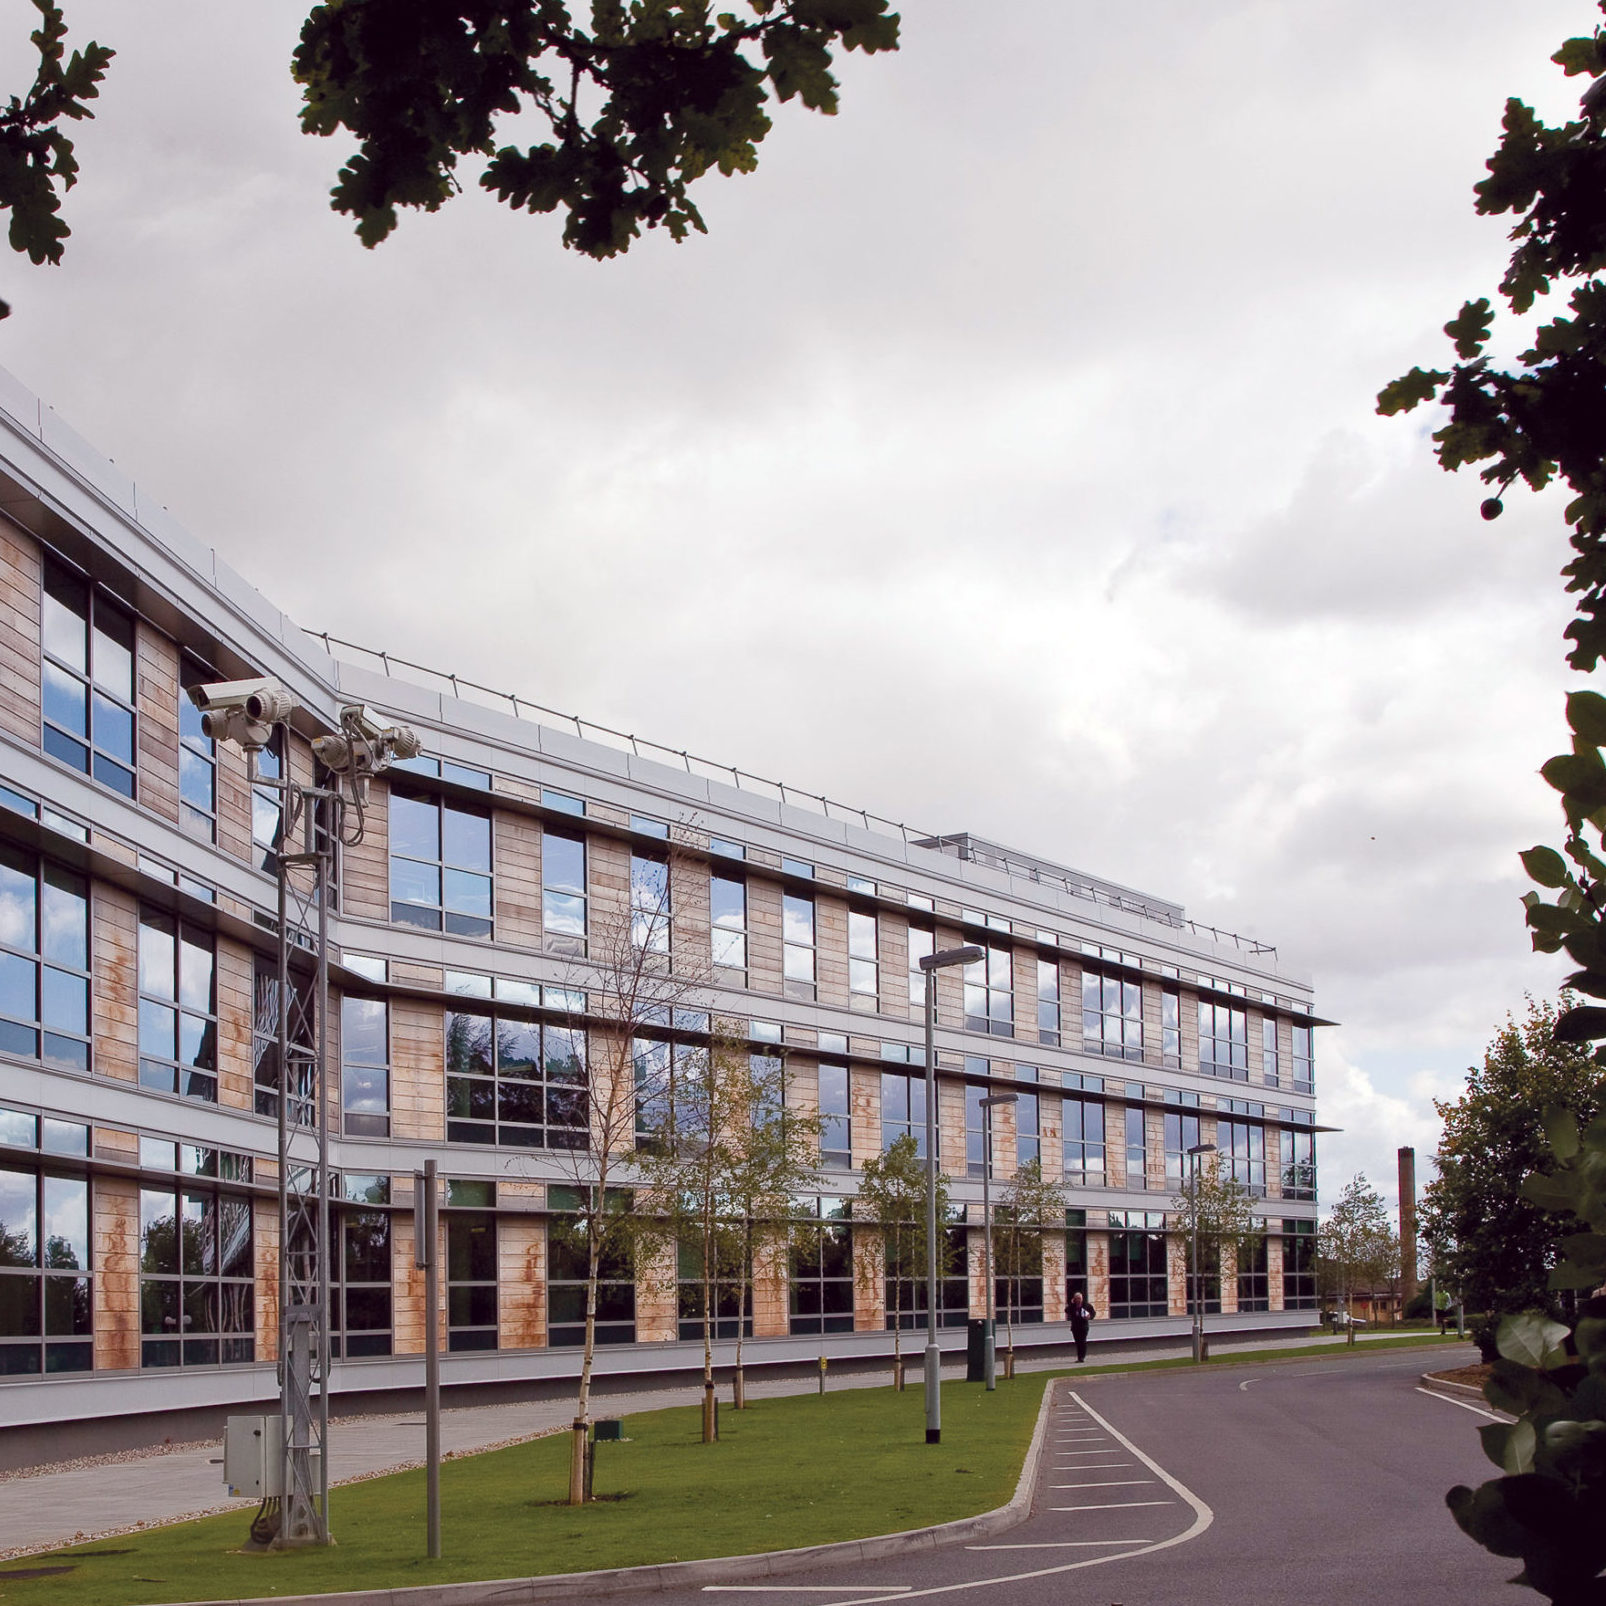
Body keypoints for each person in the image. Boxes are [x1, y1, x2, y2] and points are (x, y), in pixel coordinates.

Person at [1069, 1290, 1096, 1363]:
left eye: (1079, 1298)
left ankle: (1082, 1357)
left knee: (1082, 1341)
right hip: (1075, 1327)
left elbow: (1093, 1313)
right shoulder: (1073, 1306)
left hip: (1083, 1327)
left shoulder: (1086, 1305)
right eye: (1076, 1298)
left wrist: (1089, 1317)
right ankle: (1079, 1357)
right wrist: (1071, 1304)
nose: (1078, 1300)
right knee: (1078, 1342)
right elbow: (1067, 1310)